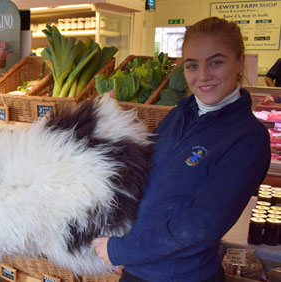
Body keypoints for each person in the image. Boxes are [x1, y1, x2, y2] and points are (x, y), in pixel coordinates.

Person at [93, 17, 271, 282]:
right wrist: (114, 126)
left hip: (182, 275)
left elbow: (200, 227)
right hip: (137, 267)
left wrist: (122, 250)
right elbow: (147, 173)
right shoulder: (180, 113)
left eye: (216, 62)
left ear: (239, 62)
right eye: (192, 65)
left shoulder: (247, 138)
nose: (203, 76)